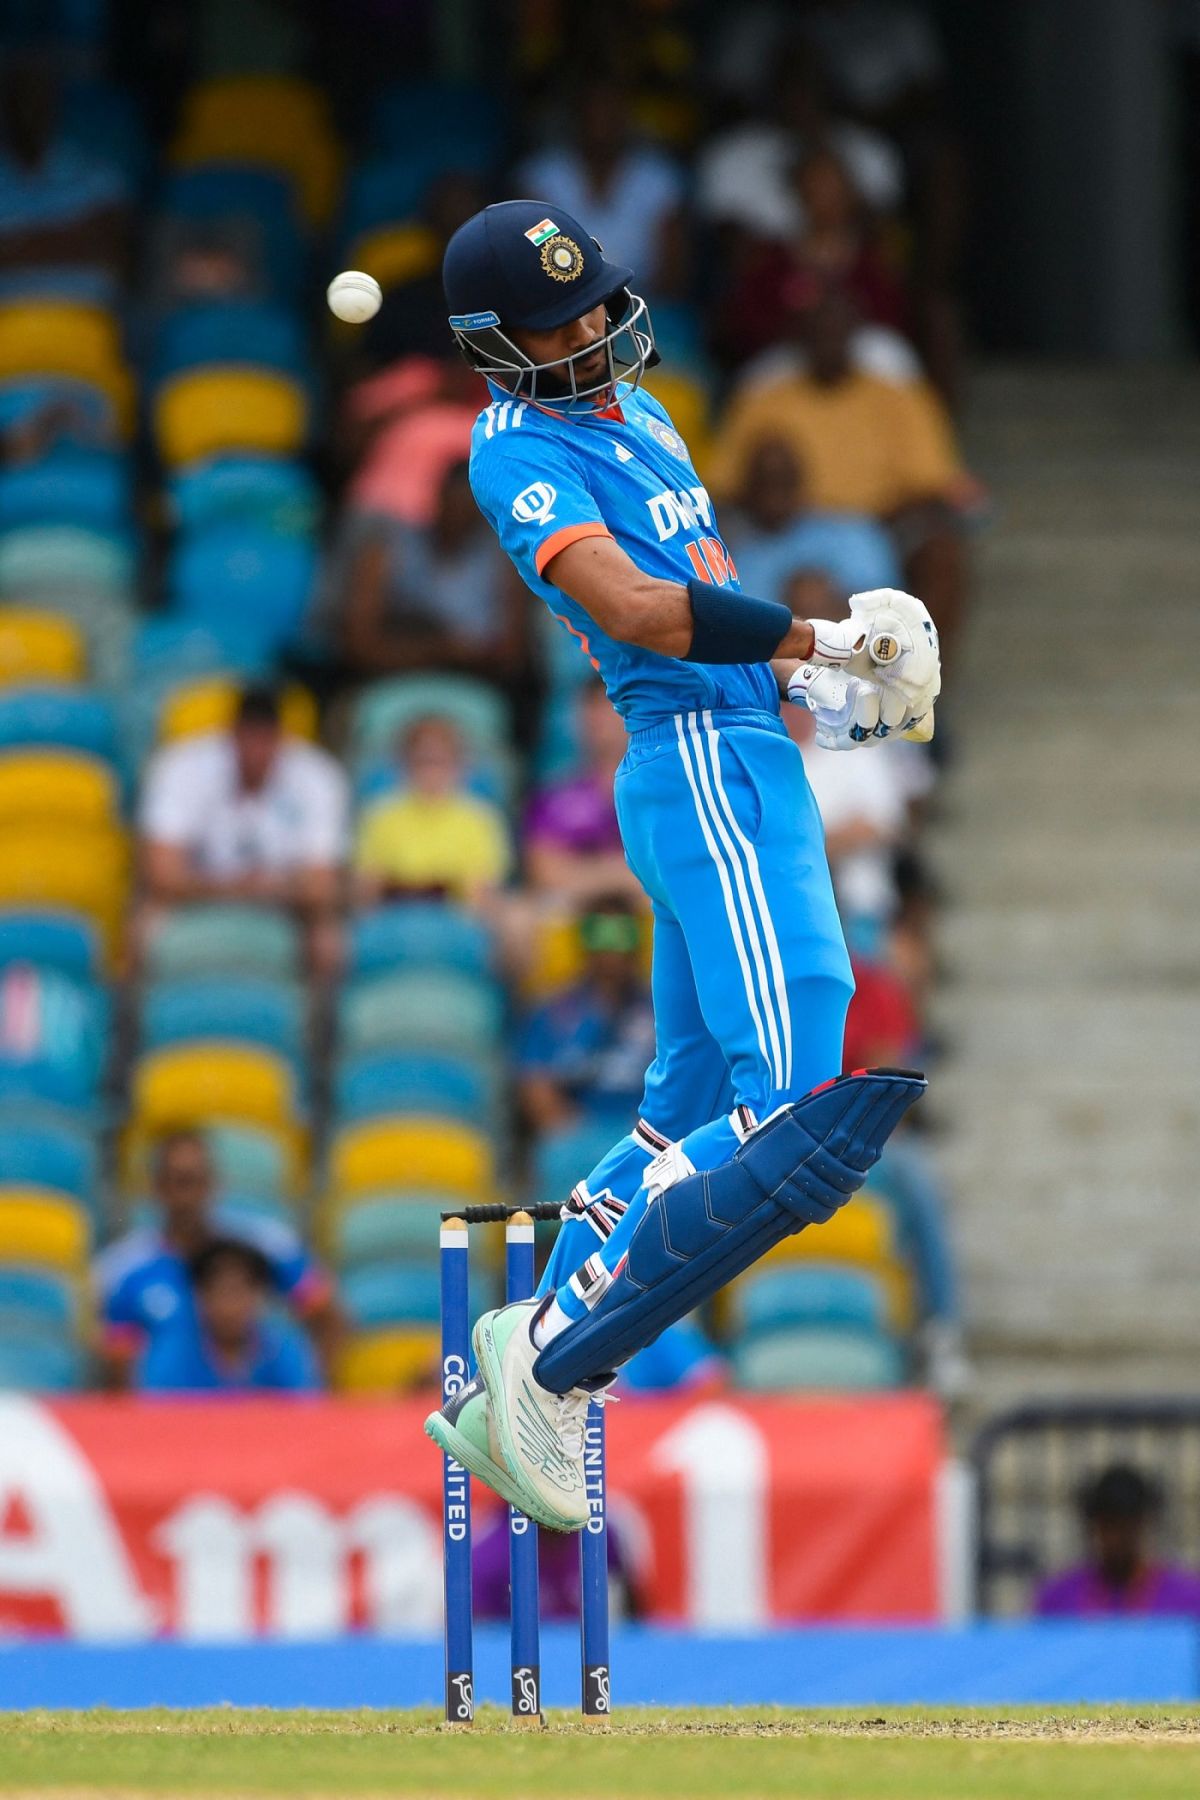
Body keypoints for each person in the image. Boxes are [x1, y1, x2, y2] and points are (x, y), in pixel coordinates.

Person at [423, 198, 936, 1530]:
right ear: (496, 344)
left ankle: (531, 1343)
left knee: (686, 1110)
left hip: (744, 749)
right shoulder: (513, 446)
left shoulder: (644, 421)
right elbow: (640, 612)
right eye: (556, 320)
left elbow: (709, 602)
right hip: (699, 762)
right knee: (798, 1107)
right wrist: (820, 641)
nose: (589, 327)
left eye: (593, 300)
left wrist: (816, 691)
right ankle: (555, 1363)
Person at [708, 281, 970, 650]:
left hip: (878, 526)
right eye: (817, 330)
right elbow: (723, 487)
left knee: (943, 552)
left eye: (837, 329)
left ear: (856, 333)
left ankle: (922, 688)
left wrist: (872, 528)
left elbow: (935, 487)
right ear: (798, 337)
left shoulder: (897, 396)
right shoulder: (762, 397)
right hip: (777, 528)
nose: (828, 339)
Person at [94, 1129, 340, 1388]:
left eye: (197, 1181)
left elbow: (328, 1319)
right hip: (170, 1408)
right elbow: (117, 1374)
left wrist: (313, 1391)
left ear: (214, 1184)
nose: (187, 1196)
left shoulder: (265, 1245)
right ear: (156, 1187)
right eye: (178, 1181)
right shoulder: (122, 1270)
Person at [138, 684, 349, 978]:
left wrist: (269, 889)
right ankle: (135, 1019)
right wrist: (234, 887)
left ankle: (318, 1021)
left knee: (327, 932)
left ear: (280, 739)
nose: (255, 754)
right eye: (248, 740)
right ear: (232, 735)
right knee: (143, 924)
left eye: (265, 742)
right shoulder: (182, 765)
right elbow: (161, 873)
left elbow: (321, 885)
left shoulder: (318, 775)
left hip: (284, 902)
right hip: (198, 895)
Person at [338, 459, 530, 685]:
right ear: (438, 498)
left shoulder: (503, 558)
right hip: (390, 679)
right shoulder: (389, 547)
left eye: (470, 510)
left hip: (472, 684)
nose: (459, 518)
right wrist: (443, 649)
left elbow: (511, 653)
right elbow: (359, 644)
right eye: (453, 505)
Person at [517, 900, 656, 1140]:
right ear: (583, 941)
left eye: (623, 934)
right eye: (600, 934)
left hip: (647, 1135)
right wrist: (574, 1135)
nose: (611, 950)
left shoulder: (662, 1015)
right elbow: (535, 1086)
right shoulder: (552, 1014)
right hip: (574, 1136)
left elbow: (683, 1084)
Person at [722, 435, 900, 612]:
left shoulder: (854, 535)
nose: (774, 496)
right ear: (746, 491)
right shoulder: (740, 558)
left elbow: (891, 608)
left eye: (783, 481)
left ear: (800, 481)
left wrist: (831, 602)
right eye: (765, 482)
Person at [352, 713, 511, 909]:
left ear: (460, 765)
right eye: (422, 761)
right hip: (392, 914)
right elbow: (366, 888)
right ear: (403, 763)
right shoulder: (379, 815)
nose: (431, 771)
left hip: (459, 918)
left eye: (440, 761)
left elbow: (484, 892)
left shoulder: (481, 818)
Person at [138, 1237, 322, 1395]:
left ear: (259, 1295)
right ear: (199, 1296)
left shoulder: (285, 1350)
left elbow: (303, 1414)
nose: (230, 1307)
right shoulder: (169, 1354)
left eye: (239, 1292)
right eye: (220, 1293)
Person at [523, 680, 642, 909]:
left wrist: (588, 872)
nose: (600, 719)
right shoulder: (556, 797)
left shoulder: (663, 794)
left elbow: (673, 868)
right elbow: (544, 871)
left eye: (611, 708)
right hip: (576, 910)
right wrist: (618, 873)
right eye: (592, 708)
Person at [1035, 1465, 1200, 1620]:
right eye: (1109, 1524)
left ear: (1145, 1523)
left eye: (1127, 1525)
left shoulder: (1187, 1598)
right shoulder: (1059, 1598)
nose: (1118, 1537)